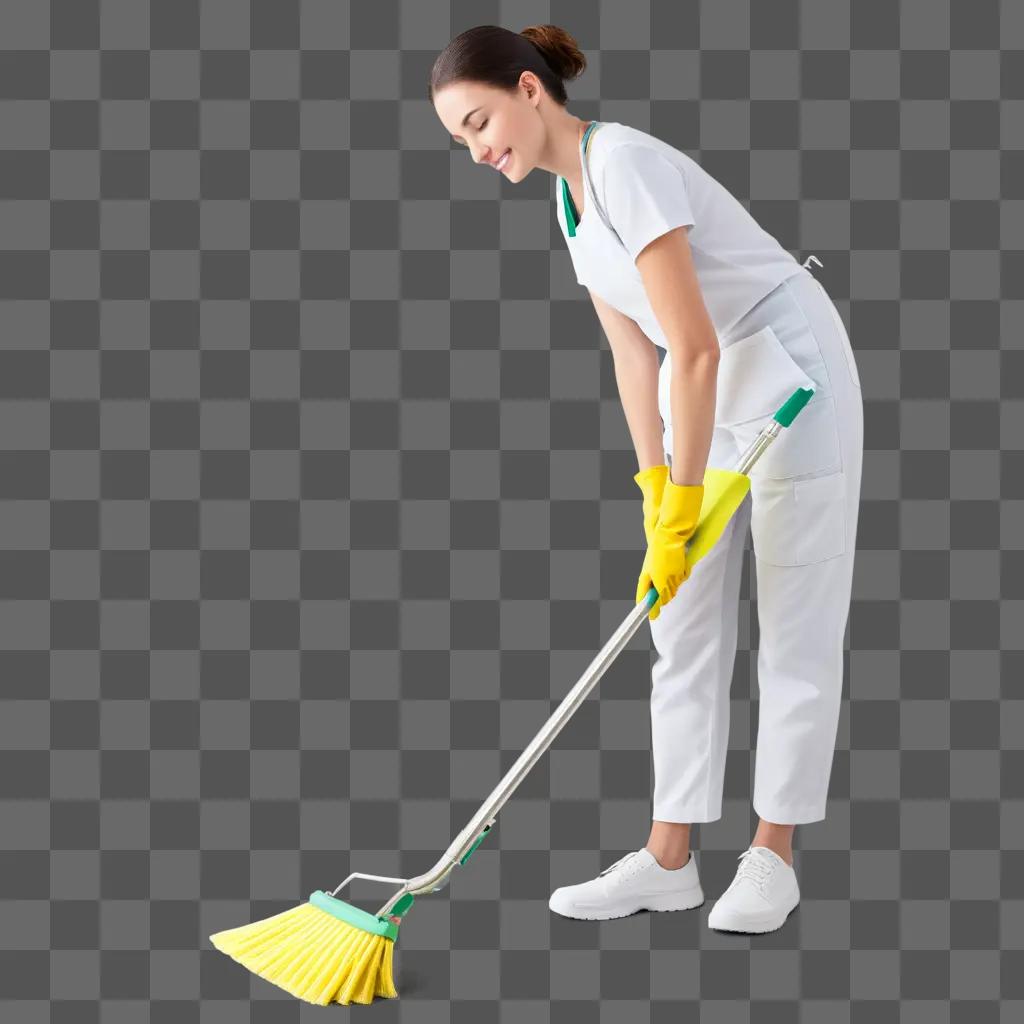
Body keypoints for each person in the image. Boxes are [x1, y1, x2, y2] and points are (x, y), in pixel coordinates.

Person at [431, 24, 863, 934]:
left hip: (789, 368)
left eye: (479, 122)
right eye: (461, 139)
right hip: (704, 387)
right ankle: (669, 860)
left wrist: (687, 491)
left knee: (793, 619)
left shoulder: (622, 162)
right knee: (680, 619)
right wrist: (657, 486)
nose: (476, 150)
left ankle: (771, 856)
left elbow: (697, 344)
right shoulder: (568, 201)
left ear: (528, 89)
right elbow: (637, 354)